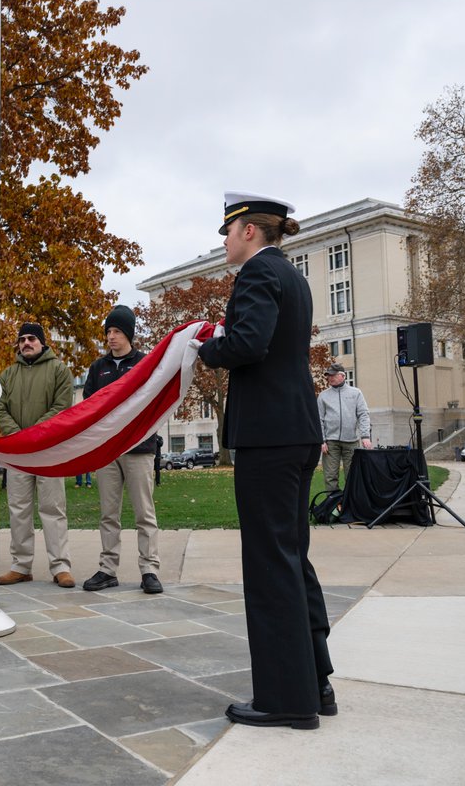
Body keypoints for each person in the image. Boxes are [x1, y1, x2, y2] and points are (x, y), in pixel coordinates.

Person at [197, 192, 334, 731]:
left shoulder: (255, 275)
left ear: (249, 232)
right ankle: (314, 681)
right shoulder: (294, 276)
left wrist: (205, 348)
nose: (224, 242)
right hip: (296, 430)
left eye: (227, 233)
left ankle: (286, 699)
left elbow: (249, 343)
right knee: (292, 556)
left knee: (270, 564)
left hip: (269, 437)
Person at [81, 305, 163, 595]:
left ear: (129, 333)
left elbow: (154, 400)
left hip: (139, 449)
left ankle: (150, 569)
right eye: (108, 332)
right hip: (107, 452)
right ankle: (107, 569)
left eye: (116, 331)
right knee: (108, 513)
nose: (111, 337)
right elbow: (88, 407)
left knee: (144, 513)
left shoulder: (145, 363)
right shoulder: (98, 368)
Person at [0, 322, 76, 588]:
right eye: (22, 339)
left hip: (49, 452)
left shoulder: (59, 370)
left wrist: (34, 435)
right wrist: (18, 436)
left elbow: (62, 407)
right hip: (18, 452)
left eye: (32, 338)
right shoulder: (7, 375)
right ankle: (21, 566)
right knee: (19, 510)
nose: (26, 343)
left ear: (43, 342)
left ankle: (60, 566)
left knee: (53, 509)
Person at [317, 362, 373, 492]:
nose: (330, 378)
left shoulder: (356, 393)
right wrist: (322, 440)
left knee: (352, 475)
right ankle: (333, 507)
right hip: (330, 443)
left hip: (351, 441)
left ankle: (351, 505)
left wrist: (365, 436)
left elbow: (363, 414)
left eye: (333, 375)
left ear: (343, 376)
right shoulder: (323, 396)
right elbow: (319, 419)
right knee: (330, 477)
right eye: (328, 376)